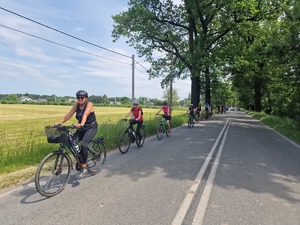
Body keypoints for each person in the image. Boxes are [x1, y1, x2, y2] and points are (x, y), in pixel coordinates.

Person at [54, 90, 98, 176]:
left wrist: (81, 123)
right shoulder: (76, 104)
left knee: (84, 145)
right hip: (81, 128)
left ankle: (84, 164)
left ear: (86, 98)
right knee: (73, 142)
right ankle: (81, 157)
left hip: (91, 127)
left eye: (82, 97)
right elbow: (69, 115)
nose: (80, 99)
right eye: (78, 98)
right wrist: (59, 123)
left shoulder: (89, 104)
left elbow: (85, 115)